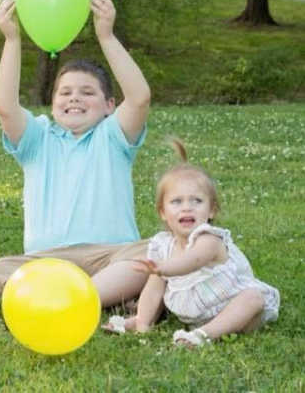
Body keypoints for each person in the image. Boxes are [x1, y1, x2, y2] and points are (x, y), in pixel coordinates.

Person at [0, 0, 151, 307]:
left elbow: (140, 97)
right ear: (53, 103)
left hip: (112, 255)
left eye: (87, 92)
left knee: (157, 251)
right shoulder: (38, 139)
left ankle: (72, 300)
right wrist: (11, 39)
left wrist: (106, 35)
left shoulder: (113, 136)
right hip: (48, 262)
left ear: (109, 106)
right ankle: (104, 295)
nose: (74, 98)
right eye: (65, 92)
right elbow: (6, 107)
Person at [103, 139, 280, 347]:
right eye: (176, 202)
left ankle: (202, 335)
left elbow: (192, 260)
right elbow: (156, 285)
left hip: (233, 310)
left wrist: (163, 267)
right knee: (156, 280)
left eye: (197, 201)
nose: (187, 208)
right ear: (163, 212)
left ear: (211, 210)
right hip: (198, 309)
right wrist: (157, 273)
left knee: (253, 298)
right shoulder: (163, 245)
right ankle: (141, 321)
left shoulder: (210, 240)